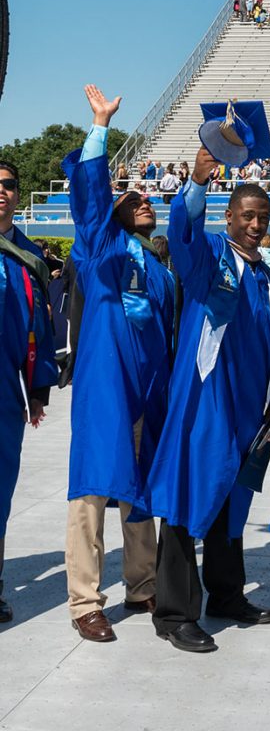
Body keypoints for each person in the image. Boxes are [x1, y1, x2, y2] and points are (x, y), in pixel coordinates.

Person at [142, 145, 270, 652]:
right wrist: (198, 183)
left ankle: (226, 594)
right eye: (247, 215)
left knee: (231, 500)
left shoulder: (265, 275)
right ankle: (175, 613)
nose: (256, 225)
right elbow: (182, 232)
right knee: (188, 497)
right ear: (229, 216)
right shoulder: (210, 260)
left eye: (263, 217)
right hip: (205, 405)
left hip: (248, 411)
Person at [60, 86, 176, 641]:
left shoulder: (158, 267)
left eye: (148, 197)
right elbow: (89, 198)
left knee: (140, 487)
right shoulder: (97, 248)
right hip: (105, 386)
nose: (144, 199)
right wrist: (101, 128)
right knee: (92, 487)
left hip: (147, 389)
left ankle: (142, 584)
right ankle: (85, 600)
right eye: (132, 198)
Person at [0, 154, 59, 624]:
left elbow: (40, 325)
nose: (1, 191)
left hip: (3, 394)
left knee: (0, 492)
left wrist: (38, 389)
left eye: (9, 185)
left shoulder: (30, 258)